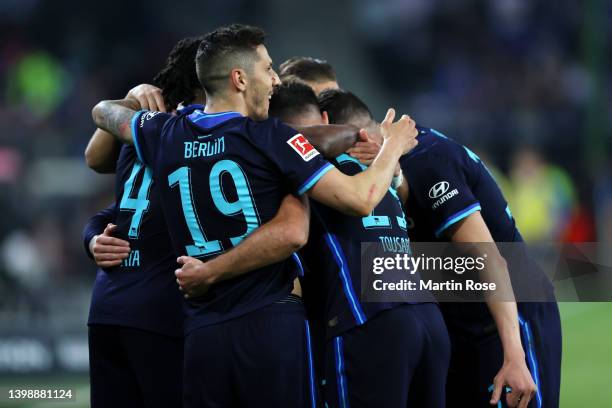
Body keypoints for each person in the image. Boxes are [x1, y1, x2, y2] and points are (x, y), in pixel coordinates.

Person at [91, 24, 418, 407]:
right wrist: (392, 147)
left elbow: (102, 113)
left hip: (202, 328)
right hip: (269, 321)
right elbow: (361, 199)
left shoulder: (166, 133)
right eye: (267, 69)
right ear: (240, 78)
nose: (276, 80)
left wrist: (134, 95)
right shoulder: (271, 139)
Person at [83, 36, 323, 408]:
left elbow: (99, 169)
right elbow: (291, 228)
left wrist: (91, 236)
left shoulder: (151, 134)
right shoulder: (200, 144)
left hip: (107, 308)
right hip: (164, 310)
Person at [320, 88, 560, 408]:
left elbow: (489, 260)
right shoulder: (392, 171)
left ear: (360, 142)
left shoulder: (428, 161)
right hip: (461, 314)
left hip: (512, 308)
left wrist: (514, 355)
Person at [269, 81, 450, 408]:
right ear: (326, 120)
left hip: (369, 320)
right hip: (428, 318)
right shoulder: (376, 171)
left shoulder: (303, 172)